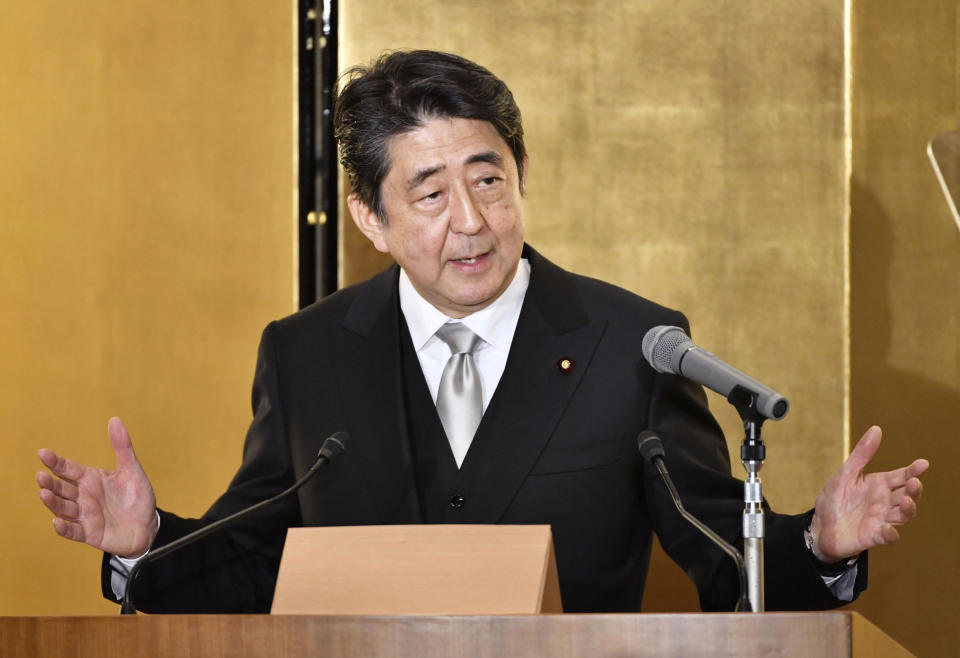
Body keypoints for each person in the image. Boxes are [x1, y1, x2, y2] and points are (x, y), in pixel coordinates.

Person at [36, 50, 928, 613]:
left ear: (523, 173)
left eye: (488, 179)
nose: (470, 221)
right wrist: (149, 543)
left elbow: (721, 551)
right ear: (369, 219)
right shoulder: (306, 354)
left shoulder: (633, 343)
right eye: (429, 193)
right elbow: (250, 561)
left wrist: (816, 543)